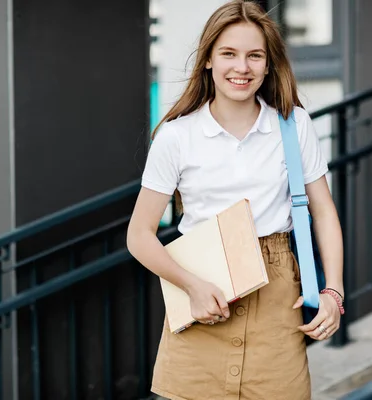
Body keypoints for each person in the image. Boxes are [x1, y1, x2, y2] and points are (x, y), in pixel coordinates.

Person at [126, 1, 344, 399]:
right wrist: (191, 286)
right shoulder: (177, 136)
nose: (241, 67)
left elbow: (324, 212)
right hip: (201, 297)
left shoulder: (294, 125)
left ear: (267, 64)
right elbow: (139, 235)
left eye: (254, 55)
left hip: (279, 299)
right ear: (208, 59)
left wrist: (333, 291)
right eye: (228, 53)